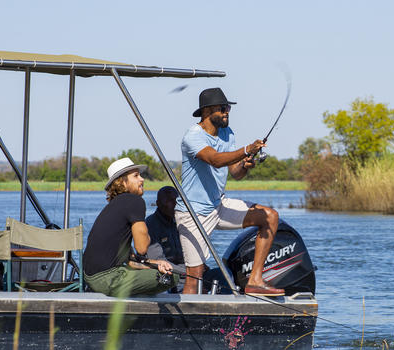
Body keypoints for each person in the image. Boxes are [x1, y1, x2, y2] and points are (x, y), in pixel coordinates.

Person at [175, 87, 284, 296]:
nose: (227, 112)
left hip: (219, 205)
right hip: (192, 213)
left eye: (228, 108)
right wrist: (245, 150)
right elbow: (215, 160)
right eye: (223, 108)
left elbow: (235, 172)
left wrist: (245, 164)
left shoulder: (227, 132)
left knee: (269, 217)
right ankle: (184, 325)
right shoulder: (193, 137)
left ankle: (255, 281)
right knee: (195, 276)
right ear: (207, 111)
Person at [82, 157, 177, 297]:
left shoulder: (116, 205)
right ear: (122, 182)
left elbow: (131, 261)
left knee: (161, 271)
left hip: (90, 278)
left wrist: (157, 263)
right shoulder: (135, 201)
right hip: (108, 279)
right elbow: (142, 248)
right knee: (172, 277)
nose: (142, 179)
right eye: (136, 176)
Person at [145, 186, 184, 265]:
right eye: (169, 201)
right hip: (166, 272)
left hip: (186, 269)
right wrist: (188, 271)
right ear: (158, 204)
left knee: (215, 273)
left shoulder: (180, 221)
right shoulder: (150, 225)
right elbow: (158, 261)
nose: (175, 204)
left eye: (177, 200)